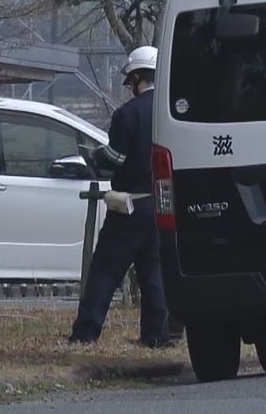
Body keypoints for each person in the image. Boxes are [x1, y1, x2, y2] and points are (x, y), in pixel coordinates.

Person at [68, 46, 171, 348]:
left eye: (130, 81)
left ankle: (86, 333)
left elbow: (116, 159)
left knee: (105, 270)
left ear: (138, 77)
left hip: (129, 205)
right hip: (161, 204)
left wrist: (94, 156)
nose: (129, 88)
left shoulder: (128, 114)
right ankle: (156, 336)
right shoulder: (168, 109)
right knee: (154, 273)